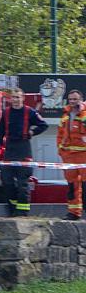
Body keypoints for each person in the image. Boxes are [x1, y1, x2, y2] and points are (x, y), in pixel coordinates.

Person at [0, 87, 47, 217]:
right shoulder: (6, 113)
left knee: (23, 183)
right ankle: (13, 209)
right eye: (13, 97)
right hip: (10, 149)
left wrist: (32, 132)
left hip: (24, 149)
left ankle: (22, 212)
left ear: (23, 98)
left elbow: (43, 125)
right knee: (7, 181)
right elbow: (0, 133)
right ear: (10, 99)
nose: (15, 100)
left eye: (18, 97)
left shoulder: (29, 112)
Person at [59, 90, 86, 220]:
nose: (72, 101)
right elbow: (60, 134)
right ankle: (74, 212)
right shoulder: (65, 114)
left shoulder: (85, 114)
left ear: (81, 100)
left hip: (84, 154)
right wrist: (61, 150)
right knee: (71, 186)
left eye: (75, 99)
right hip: (69, 155)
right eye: (70, 99)